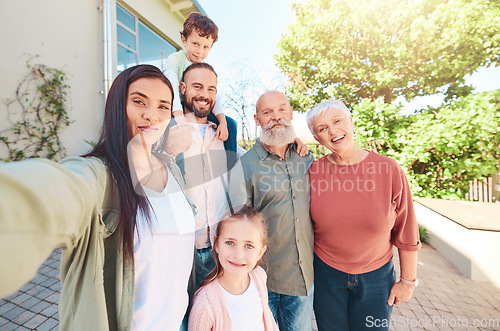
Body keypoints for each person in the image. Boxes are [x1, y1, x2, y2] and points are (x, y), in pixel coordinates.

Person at [0, 65, 197, 330]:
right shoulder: (98, 176)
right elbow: (51, 193)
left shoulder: (170, 168)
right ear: (116, 106)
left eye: (163, 107)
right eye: (139, 101)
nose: (151, 115)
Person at [306, 99, 421, 331]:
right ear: (317, 139)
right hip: (326, 276)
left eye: (337, 121)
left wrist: (407, 282)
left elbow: (406, 228)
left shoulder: (389, 169)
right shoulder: (311, 172)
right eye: (322, 128)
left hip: (377, 279)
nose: (333, 131)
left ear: (351, 122)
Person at [229, 90, 314, 330]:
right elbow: (238, 227)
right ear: (257, 119)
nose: (276, 117)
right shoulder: (244, 166)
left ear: (291, 114)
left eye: (281, 110)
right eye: (267, 112)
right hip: (263, 279)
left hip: (305, 278)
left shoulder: (306, 158)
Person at [174, 62, 231, 291]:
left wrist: (291, 141)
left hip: (219, 247)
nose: (204, 95)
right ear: (182, 88)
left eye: (211, 89)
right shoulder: (169, 133)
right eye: (197, 87)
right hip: (182, 248)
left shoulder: (226, 132)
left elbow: (256, 158)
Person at [188, 205, 279, 331]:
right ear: (217, 244)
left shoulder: (259, 276)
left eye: (249, 246)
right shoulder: (205, 303)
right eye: (230, 243)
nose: (238, 255)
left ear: (260, 252)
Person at [163, 12, 238, 153]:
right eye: (195, 44)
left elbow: (215, 96)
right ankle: (179, 170)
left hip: (198, 107)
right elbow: (171, 85)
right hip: (174, 107)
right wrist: (178, 114)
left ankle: (232, 166)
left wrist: (222, 121)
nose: (199, 51)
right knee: (173, 131)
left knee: (231, 124)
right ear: (184, 40)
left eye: (206, 47)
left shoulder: (203, 67)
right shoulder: (176, 59)